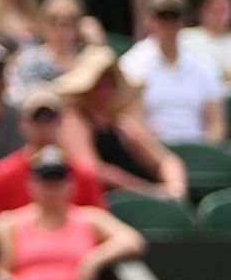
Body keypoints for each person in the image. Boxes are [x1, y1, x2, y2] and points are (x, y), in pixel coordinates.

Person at [0, 147, 146, 280]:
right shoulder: (10, 224)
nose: (52, 189)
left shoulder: (89, 219)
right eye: (46, 182)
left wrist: (94, 259)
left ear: (71, 184)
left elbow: (133, 240)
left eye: (58, 181)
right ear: (31, 184)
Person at [54, 47, 188, 200]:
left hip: (144, 197)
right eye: (99, 84)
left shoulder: (121, 124)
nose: (105, 91)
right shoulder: (73, 122)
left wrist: (175, 189)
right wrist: (143, 190)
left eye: (110, 84)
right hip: (109, 203)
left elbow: (166, 160)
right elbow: (91, 169)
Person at [120, 0, 226, 147]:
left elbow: (215, 122)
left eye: (174, 17)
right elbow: (133, 120)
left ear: (183, 21)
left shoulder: (202, 64)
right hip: (154, 151)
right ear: (150, 20)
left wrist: (206, 149)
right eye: (162, 17)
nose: (168, 24)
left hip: (199, 147)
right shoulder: (133, 64)